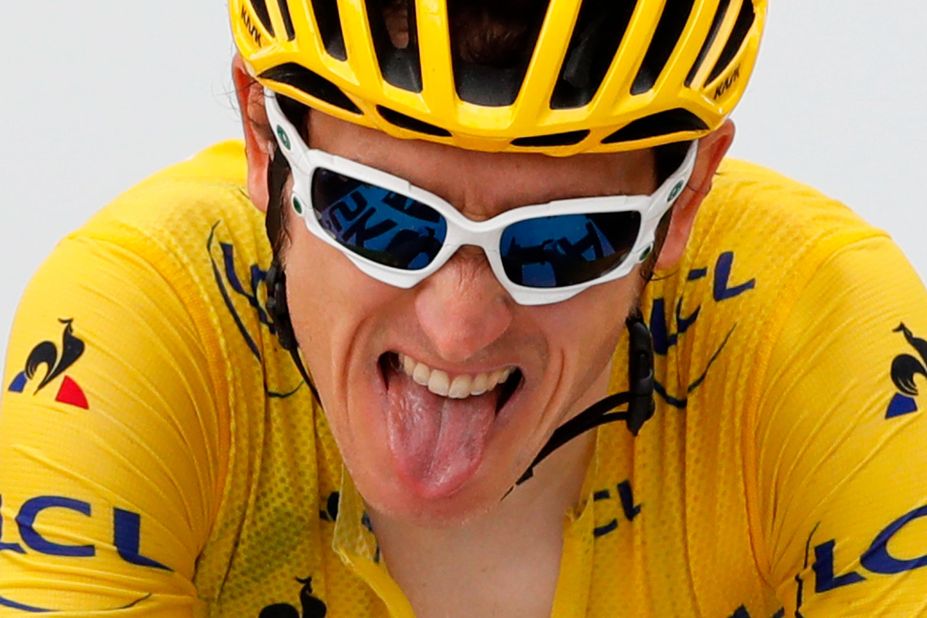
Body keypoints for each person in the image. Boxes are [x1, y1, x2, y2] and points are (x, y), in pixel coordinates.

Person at [1, 0, 925, 616]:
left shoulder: (815, 342)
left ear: (681, 206)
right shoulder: (154, 321)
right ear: (262, 145)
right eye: (377, 217)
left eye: (561, 241)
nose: (458, 324)